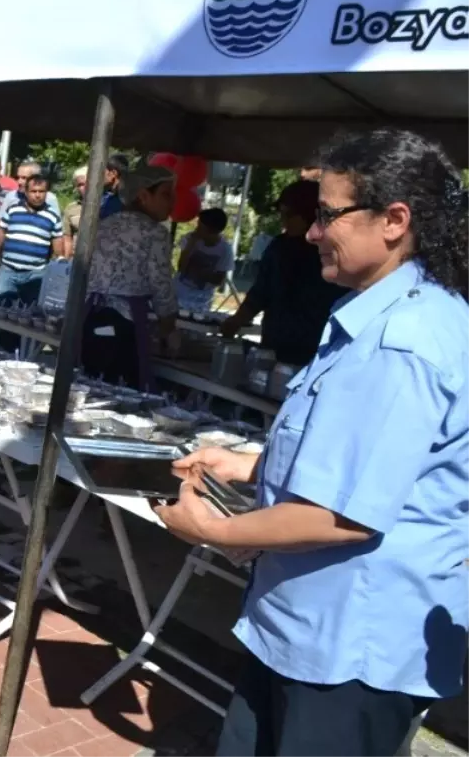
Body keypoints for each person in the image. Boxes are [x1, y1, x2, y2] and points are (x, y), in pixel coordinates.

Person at [163, 127, 469, 757]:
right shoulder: (381, 313)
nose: (310, 232)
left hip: (347, 648)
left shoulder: (402, 342)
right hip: (306, 627)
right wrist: (249, 465)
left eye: (328, 214)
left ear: (394, 220)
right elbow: (362, 459)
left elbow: (344, 516)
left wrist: (210, 531)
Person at [221, 181, 345, 365]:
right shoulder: (279, 247)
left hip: (317, 352)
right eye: (281, 214)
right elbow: (259, 293)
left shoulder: (333, 254)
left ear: (310, 215)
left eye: (288, 215)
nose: (283, 221)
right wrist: (235, 323)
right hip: (273, 347)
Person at [81, 164, 179, 389]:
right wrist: (168, 328)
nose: (172, 201)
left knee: (89, 384)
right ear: (144, 196)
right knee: (120, 391)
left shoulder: (103, 225)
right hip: (124, 323)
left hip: (90, 316)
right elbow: (161, 284)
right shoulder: (155, 233)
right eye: (166, 194)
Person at [0, 173, 65, 305]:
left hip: (36, 274)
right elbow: (2, 231)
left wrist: (60, 258)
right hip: (8, 271)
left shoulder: (53, 216)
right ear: (26, 192)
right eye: (33, 191)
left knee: (31, 312)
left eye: (41, 191)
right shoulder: (13, 210)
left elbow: (57, 238)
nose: (37, 195)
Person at [175, 208, 234, 313]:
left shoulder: (225, 250)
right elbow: (181, 268)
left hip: (202, 300)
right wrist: (190, 246)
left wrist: (199, 271)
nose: (196, 230)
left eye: (201, 227)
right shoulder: (190, 239)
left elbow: (219, 280)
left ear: (212, 231)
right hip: (179, 292)